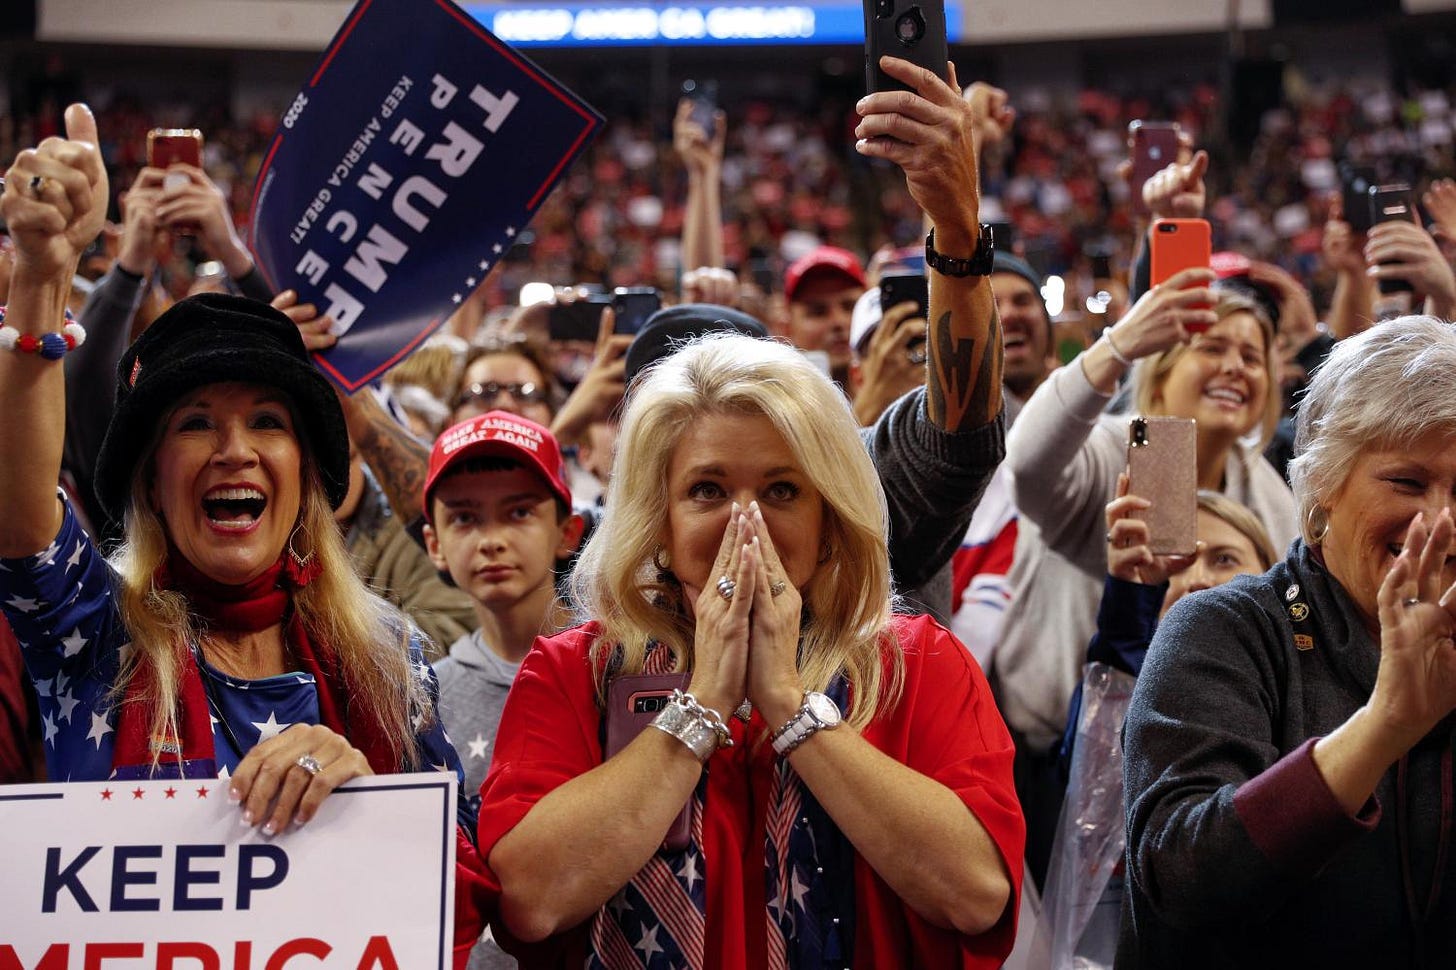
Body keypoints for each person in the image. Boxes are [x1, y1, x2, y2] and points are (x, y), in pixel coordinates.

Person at [0, 107, 483, 966]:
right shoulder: (94, 630)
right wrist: (41, 279)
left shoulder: (388, 654)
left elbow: (466, 891)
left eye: (268, 421)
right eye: (195, 423)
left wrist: (370, 797)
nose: (234, 451)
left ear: (302, 477)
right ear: (150, 477)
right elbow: (19, 518)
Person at [1120, 315, 1456, 966]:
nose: (1441, 521)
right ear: (1322, 487)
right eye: (1408, 482)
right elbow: (1178, 879)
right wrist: (1384, 727)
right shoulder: (1223, 629)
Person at [992, 282, 1298, 887]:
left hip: (1202, 752)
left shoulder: (1267, 492)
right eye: (1213, 347)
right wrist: (1120, 343)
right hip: (1055, 754)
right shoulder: (1109, 448)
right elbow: (1025, 463)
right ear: (1162, 369)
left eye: (1252, 355)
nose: (1235, 366)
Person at [1038, 485, 1277, 966]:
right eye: (1177, 562)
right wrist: (1131, 602)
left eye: (1225, 559)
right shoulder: (1117, 684)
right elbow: (1096, 774)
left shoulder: (1297, 688)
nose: (1196, 580)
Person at [424, 411, 586, 970]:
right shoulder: (423, 697)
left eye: (519, 512)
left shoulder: (621, 674)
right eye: (464, 518)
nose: (491, 540)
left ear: (568, 532)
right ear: (434, 544)